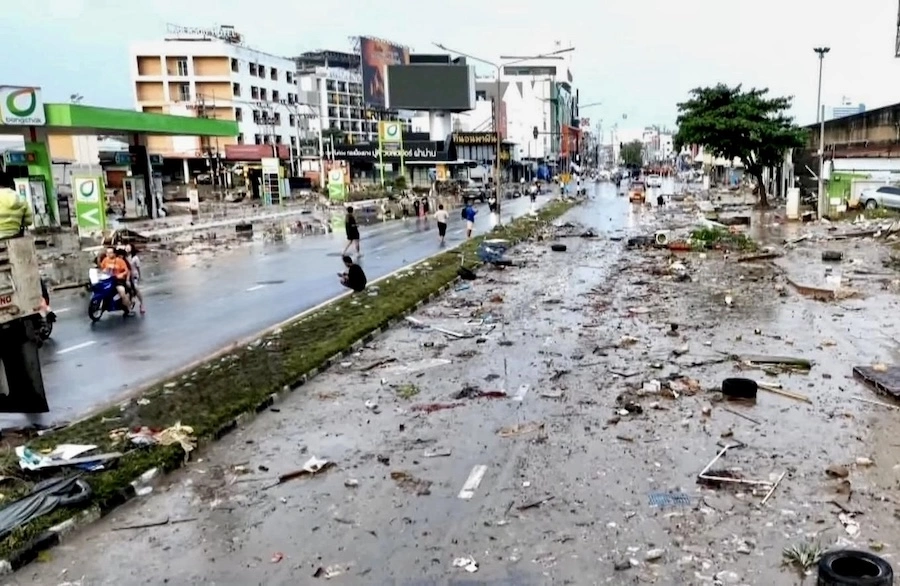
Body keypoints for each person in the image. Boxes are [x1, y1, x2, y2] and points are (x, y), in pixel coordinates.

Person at [100, 246, 133, 311]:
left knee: (122, 292)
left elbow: (126, 270)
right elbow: (102, 268)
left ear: (114, 254)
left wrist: (121, 275)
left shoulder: (120, 261)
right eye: (107, 253)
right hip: (108, 280)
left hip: (118, 280)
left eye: (110, 253)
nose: (108, 254)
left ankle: (129, 308)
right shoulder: (105, 260)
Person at [124, 243, 146, 314]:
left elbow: (138, 268)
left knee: (135, 288)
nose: (127, 249)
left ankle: (142, 304)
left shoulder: (135, 258)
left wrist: (140, 276)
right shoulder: (123, 257)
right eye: (126, 247)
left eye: (128, 247)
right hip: (126, 276)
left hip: (134, 276)